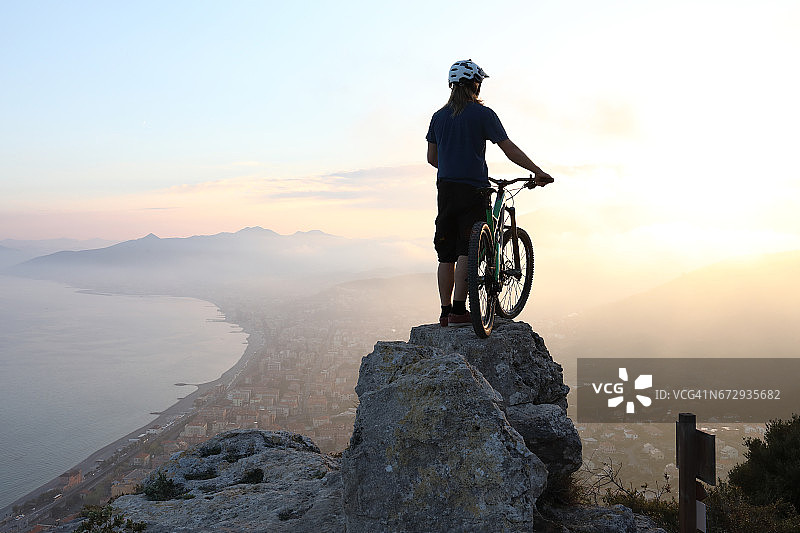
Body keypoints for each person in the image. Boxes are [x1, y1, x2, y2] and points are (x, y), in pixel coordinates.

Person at [426, 59, 553, 327]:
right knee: (466, 249)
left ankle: (445, 313)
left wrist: (453, 166)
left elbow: (432, 159)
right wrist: (537, 171)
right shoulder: (483, 115)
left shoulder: (438, 117)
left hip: (445, 189)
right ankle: (459, 310)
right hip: (473, 189)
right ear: (476, 84)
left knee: (445, 254)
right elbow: (509, 149)